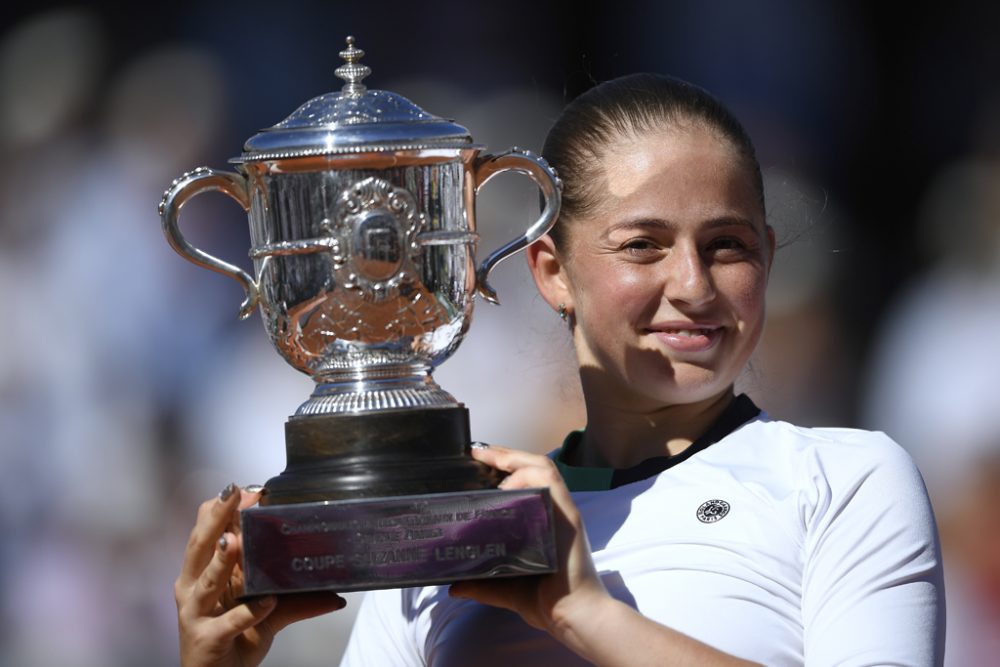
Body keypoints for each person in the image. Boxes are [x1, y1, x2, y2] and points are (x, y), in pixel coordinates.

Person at [174, 73, 945, 666]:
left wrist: (587, 612)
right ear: (552, 271)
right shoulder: (451, 531)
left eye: (727, 245)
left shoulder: (844, 478)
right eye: (642, 244)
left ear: (768, 258)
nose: (694, 285)